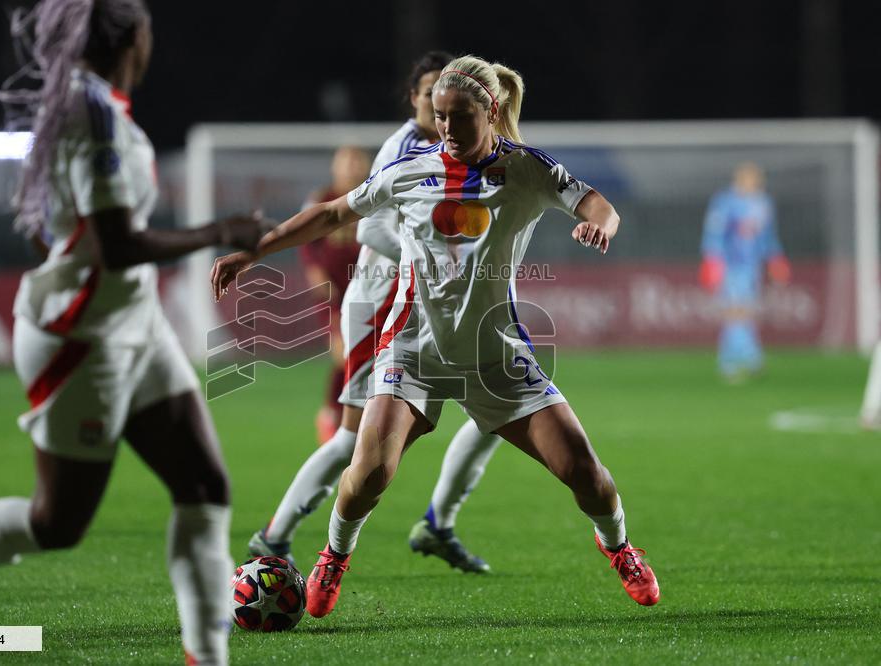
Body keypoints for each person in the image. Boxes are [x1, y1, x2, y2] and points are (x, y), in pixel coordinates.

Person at [0, 2, 265, 664]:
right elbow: (117, 243)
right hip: (86, 338)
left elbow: (46, 222)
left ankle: (207, 655)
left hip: (131, 319)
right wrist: (220, 232)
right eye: (148, 30)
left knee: (204, 488)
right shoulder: (93, 115)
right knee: (55, 524)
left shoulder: (88, 103)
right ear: (132, 39)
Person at [213, 54, 660, 619]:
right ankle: (333, 555)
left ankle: (618, 548)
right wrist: (254, 252)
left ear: (491, 112)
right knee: (369, 471)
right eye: (440, 115)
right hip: (413, 352)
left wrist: (602, 223)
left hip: (495, 356)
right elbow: (330, 214)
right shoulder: (411, 168)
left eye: (458, 116)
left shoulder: (526, 169)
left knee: (586, 473)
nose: (445, 127)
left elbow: (596, 202)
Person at [247, 51, 501, 575]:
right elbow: (366, 226)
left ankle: (439, 523)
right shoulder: (405, 146)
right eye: (431, 91)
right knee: (351, 441)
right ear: (414, 98)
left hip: (428, 308)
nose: (440, 104)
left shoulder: (453, 146)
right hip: (383, 305)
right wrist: (431, 253)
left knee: (497, 405)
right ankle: (274, 537)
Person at [300, 146, 370, 444]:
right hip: (335, 293)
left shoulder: (373, 197)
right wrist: (314, 270)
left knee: (360, 357)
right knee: (344, 354)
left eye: (357, 162)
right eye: (346, 162)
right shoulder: (321, 199)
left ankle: (346, 416)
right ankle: (332, 414)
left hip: (368, 289)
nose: (352, 168)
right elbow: (305, 239)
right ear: (335, 167)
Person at [700, 162, 790, 381]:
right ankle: (748, 357)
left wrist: (775, 257)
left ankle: (731, 360)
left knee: (744, 311)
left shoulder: (763, 203)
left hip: (752, 265)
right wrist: (713, 260)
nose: (754, 183)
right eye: (749, 178)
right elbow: (714, 233)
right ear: (739, 180)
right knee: (736, 310)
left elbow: (767, 235)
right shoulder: (725, 202)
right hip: (731, 263)